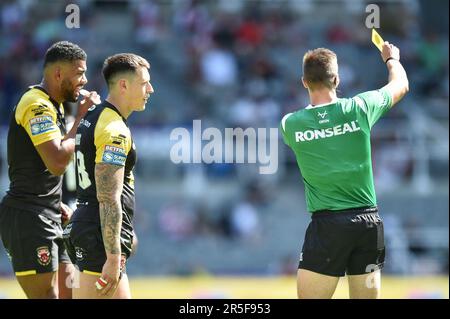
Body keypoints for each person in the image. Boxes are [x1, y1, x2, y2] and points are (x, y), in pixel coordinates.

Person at [280, 42, 409, 299]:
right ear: (337, 79)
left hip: (327, 226)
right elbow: (401, 85)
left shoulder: (290, 124)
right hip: (368, 224)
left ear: (304, 82)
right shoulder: (360, 107)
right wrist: (391, 59)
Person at [0, 41, 99, 298]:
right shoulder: (36, 104)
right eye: (79, 73)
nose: (85, 80)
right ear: (58, 74)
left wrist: (54, 203)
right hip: (28, 217)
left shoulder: (53, 106)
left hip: (52, 213)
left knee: (72, 292)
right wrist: (82, 119)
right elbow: (56, 162)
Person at [63, 53, 154, 298]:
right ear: (123, 85)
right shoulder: (114, 129)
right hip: (98, 234)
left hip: (88, 227)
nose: (151, 89)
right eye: (145, 83)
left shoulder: (93, 117)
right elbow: (108, 197)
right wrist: (113, 257)